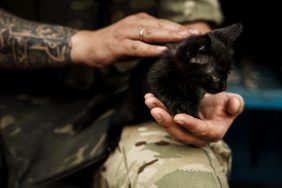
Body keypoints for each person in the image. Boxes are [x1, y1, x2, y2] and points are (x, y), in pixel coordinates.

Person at [0, 0, 244, 187]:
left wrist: (199, 87)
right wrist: (85, 43)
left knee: (186, 180)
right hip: (19, 110)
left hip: (130, 101)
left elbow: (192, 21)